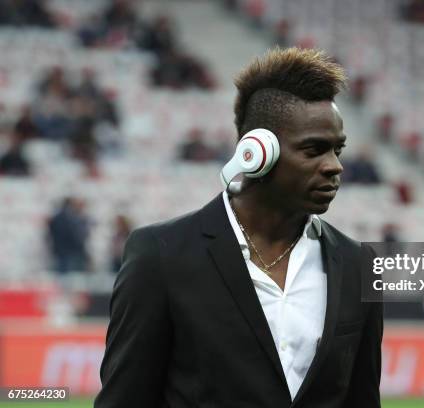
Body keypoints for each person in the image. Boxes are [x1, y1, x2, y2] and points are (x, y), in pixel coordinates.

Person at [95, 47, 383, 408]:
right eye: (314, 150)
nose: (334, 166)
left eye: (337, 150)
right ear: (256, 154)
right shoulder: (161, 255)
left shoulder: (359, 265)